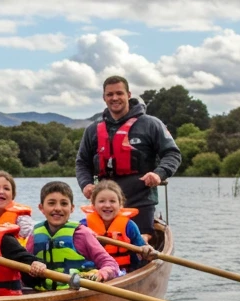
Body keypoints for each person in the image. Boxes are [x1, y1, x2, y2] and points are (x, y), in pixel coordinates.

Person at [75, 75, 182, 236]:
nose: (115, 98)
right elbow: (82, 162)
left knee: (141, 243)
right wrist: (86, 184)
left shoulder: (151, 124)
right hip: (105, 203)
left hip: (141, 201)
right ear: (104, 98)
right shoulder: (92, 130)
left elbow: (172, 154)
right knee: (98, 244)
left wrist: (159, 174)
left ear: (129, 95)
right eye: (110, 94)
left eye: (119, 93)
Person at [30, 181, 120, 291]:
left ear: (72, 208)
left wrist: (100, 274)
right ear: (41, 208)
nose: (58, 208)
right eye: (51, 203)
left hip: (77, 291)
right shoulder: (34, 234)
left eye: (64, 203)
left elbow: (111, 264)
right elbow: (24, 263)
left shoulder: (82, 234)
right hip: (43, 292)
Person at [82, 180, 154, 274]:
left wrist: (146, 250)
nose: (107, 205)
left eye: (112, 201)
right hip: (93, 273)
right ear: (93, 205)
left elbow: (141, 248)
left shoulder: (129, 226)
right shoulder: (83, 227)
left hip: (123, 273)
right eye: (101, 201)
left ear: (120, 204)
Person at [0, 170, 34, 243]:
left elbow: (32, 238)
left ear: (12, 195)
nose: (1, 192)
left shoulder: (22, 220)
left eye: (6, 189)